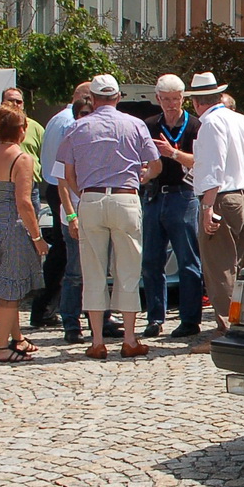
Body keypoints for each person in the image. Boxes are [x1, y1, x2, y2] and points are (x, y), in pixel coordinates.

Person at [56, 74, 161, 359]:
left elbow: (68, 175)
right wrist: (142, 177)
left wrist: (86, 193)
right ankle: (129, 338)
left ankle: (97, 340)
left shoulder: (77, 127)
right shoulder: (135, 124)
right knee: (128, 270)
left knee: (93, 271)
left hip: (91, 197)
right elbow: (155, 164)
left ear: (91, 99)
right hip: (126, 197)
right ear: (117, 97)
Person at [0, 103, 48, 362]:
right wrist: (37, 238)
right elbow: (24, 202)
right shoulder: (22, 158)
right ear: (22, 130)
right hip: (12, 226)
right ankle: (1, 347)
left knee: (4, 288)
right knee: (11, 291)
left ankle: (17, 338)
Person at [188, 72, 244, 350]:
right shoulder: (240, 119)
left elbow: (213, 168)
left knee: (219, 268)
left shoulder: (210, 124)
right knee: (237, 267)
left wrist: (208, 207)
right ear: (219, 96)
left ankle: (229, 330)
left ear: (196, 102)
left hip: (222, 198)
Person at [141, 74, 205, 340]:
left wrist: (173, 154)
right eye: (166, 99)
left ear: (183, 99)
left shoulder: (195, 126)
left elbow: (200, 162)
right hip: (155, 196)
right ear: (158, 99)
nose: (171, 105)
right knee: (151, 260)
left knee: (188, 260)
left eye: (175, 99)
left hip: (183, 195)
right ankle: (155, 317)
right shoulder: (149, 125)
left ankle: (190, 319)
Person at [37, 81, 92, 338]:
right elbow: (61, 183)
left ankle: (97, 320)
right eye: (82, 114)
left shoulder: (94, 139)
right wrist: (71, 216)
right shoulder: (68, 136)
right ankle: (71, 323)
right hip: (72, 212)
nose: (86, 119)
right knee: (74, 271)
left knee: (97, 271)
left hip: (95, 211)